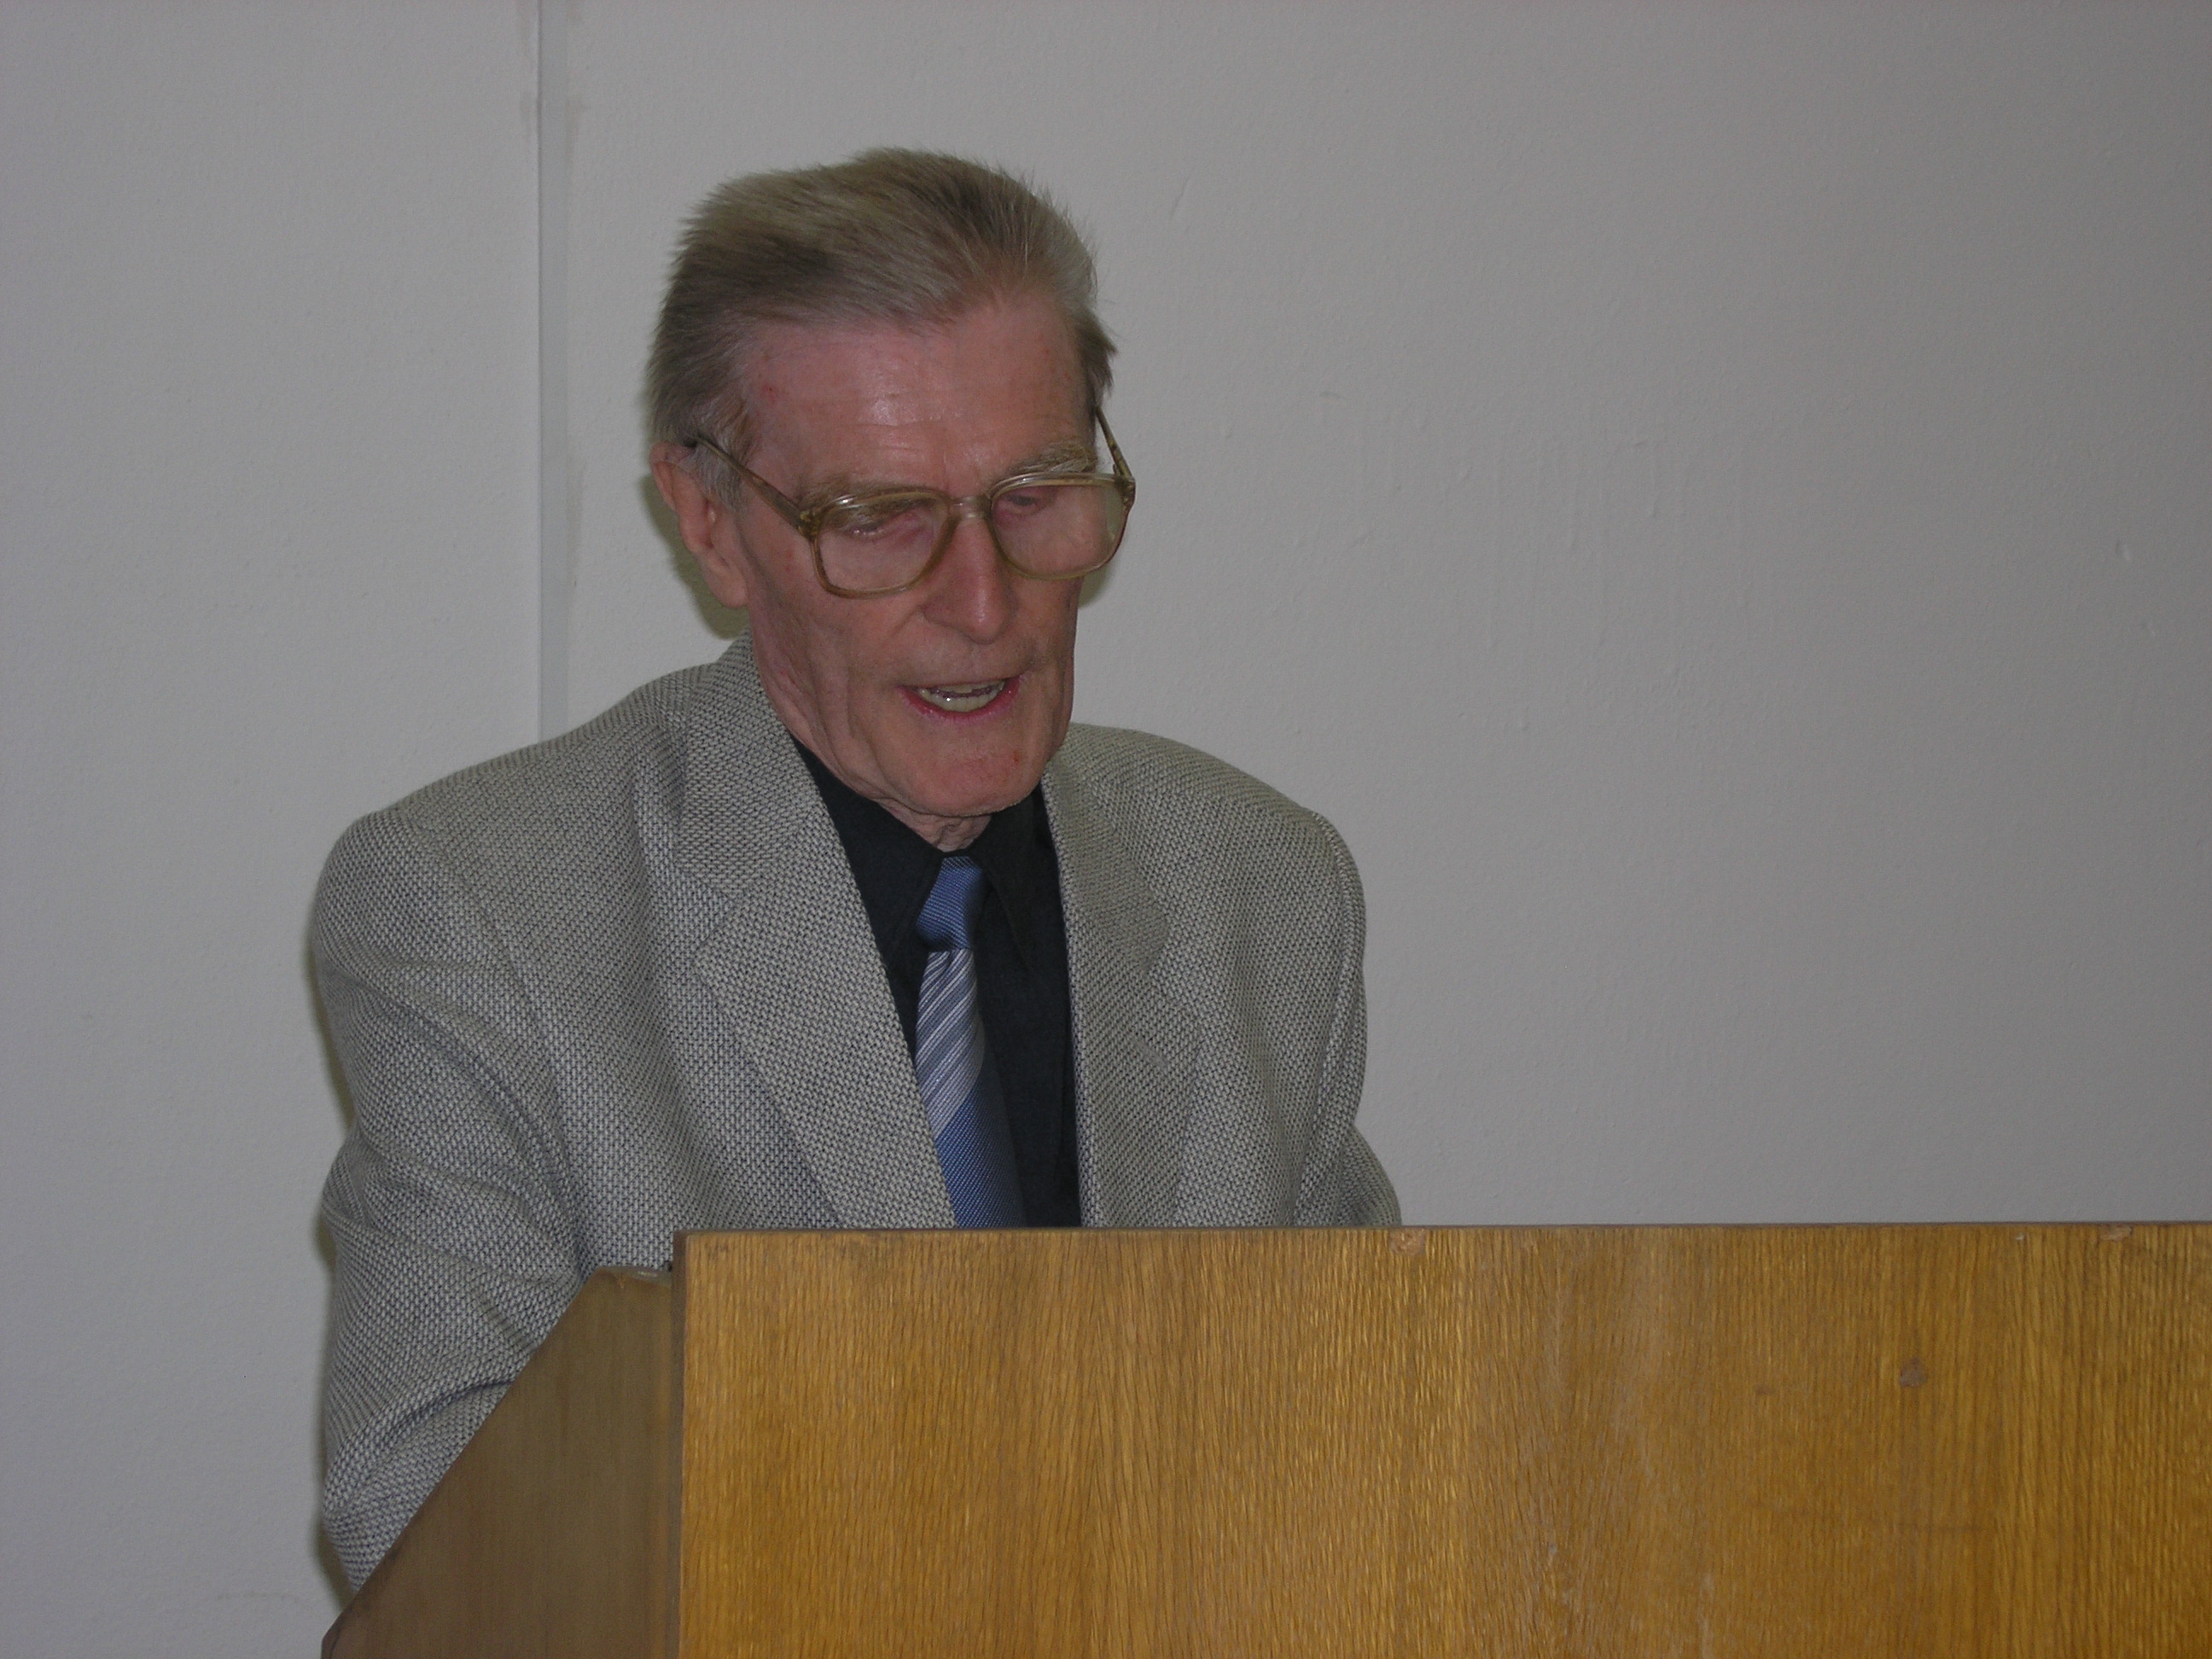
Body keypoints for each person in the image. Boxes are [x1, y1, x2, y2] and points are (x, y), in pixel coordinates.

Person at [312, 148, 1397, 1590]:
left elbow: (1369, 1450)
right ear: (711, 522)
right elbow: (439, 1530)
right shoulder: (479, 907)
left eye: (1035, 495)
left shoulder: (1263, 888)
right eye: (880, 520)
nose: (984, 604)